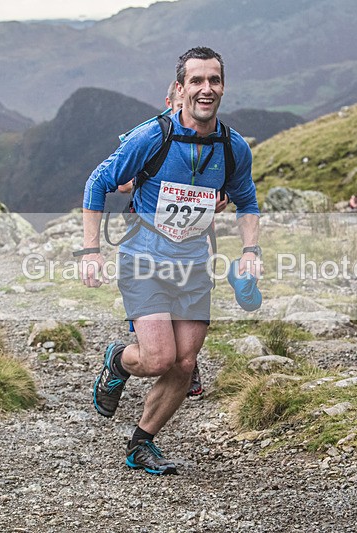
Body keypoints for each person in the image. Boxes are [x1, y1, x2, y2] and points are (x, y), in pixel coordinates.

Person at [79, 47, 261, 475]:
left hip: (195, 264)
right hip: (144, 258)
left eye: (214, 80)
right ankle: (119, 359)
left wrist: (251, 252)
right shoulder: (151, 137)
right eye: (196, 81)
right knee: (159, 358)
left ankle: (142, 443)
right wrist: (90, 252)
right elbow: (98, 182)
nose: (206, 89)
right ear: (179, 90)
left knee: (185, 363)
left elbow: (247, 201)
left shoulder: (233, 147)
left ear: (223, 87)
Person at [116, 80, 227, 399]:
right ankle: (138, 354)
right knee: (155, 308)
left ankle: (188, 365)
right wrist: (149, 179)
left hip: (194, 238)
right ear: (170, 100)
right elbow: (120, 181)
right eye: (178, 105)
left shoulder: (210, 140)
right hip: (147, 238)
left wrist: (217, 200)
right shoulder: (151, 133)